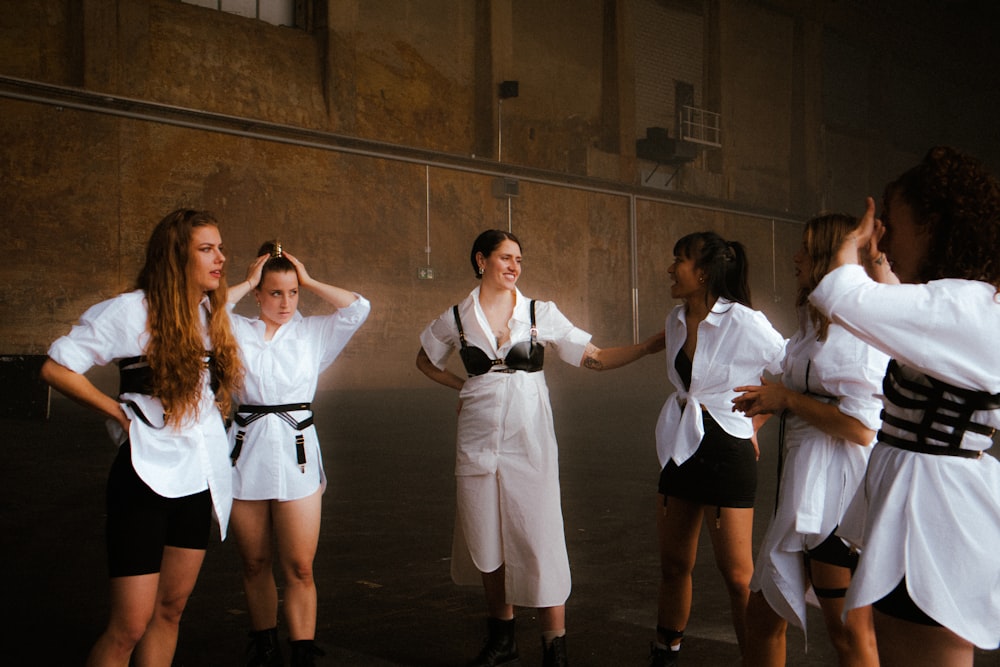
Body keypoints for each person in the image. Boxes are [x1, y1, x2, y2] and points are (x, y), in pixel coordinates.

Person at [415, 229, 664, 667]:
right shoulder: (456, 317)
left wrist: (645, 348)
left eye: (519, 259)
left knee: (539, 534)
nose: (514, 266)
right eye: (505, 257)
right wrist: (464, 386)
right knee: (485, 538)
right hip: (476, 439)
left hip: (529, 440)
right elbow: (424, 360)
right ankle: (502, 639)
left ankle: (554, 645)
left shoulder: (538, 312)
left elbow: (594, 357)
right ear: (481, 260)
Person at [810, 146, 1000, 666]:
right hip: (922, 506)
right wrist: (880, 268)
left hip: (936, 518)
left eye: (891, 224)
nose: (883, 236)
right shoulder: (964, 305)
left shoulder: (966, 307)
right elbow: (914, 327)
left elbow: (842, 298)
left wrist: (849, 248)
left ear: (933, 225)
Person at [40, 209, 243, 667]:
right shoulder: (133, 310)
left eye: (221, 248)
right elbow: (56, 366)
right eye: (207, 249)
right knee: (130, 626)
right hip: (144, 479)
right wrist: (117, 411)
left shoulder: (209, 314)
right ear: (176, 255)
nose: (220, 258)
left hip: (199, 479)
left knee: (169, 613)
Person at [732, 214, 887, 667]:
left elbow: (862, 427)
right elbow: (795, 377)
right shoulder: (816, 320)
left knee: (848, 636)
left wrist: (785, 400)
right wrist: (772, 402)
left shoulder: (853, 326)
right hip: (805, 488)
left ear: (825, 257)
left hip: (837, 496)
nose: (795, 256)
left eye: (805, 247)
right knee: (763, 619)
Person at [226, 242, 370, 667]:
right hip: (246, 449)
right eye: (274, 292)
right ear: (257, 295)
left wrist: (305, 277)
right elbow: (198, 309)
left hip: (297, 451)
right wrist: (249, 279)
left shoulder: (313, 332)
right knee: (254, 561)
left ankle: (302, 651)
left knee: (300, 567)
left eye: (292, 293)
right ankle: (265, 643)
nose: (285, 302)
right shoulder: (234, 330)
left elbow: (359, 307)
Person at [650, 231, 786, 667]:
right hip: (680, 446)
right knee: (674, 564)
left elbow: (787, 375)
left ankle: (755, 660)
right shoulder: (675, 319)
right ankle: (665, 654)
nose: (671, 268)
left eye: (680, 260)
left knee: (738, 576)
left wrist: (754, 424)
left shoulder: (744, 321)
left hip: (727, 452)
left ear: (704, 272)